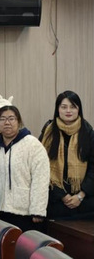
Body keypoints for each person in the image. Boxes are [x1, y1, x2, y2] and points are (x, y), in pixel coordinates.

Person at [0, 105, 49, 232]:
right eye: (2, 119)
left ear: (19, 121)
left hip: (26, 213)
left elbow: (41, 178)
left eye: (11, 118)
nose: (7, 122)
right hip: (0, 211)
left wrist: (38, 210)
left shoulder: (32, 144)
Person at [40, 91, 94, 219]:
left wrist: (80, 195)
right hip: (55, 198)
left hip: (83, 199)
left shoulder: (88, 132)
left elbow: (93, 167)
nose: (68, 111)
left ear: (79, 109)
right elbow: (40, 166)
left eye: (73, 107)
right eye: (64, 107)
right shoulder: (49, 131)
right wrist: (62, 195)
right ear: (57, 109)